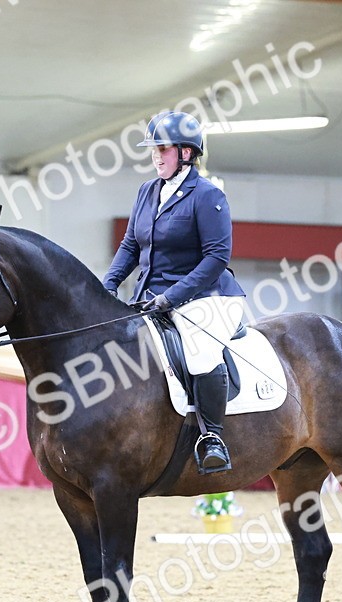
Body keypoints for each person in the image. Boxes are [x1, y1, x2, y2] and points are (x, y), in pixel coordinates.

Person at [103, 110, 245, 474]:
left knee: (199, 354)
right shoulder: (147, 192)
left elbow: (216, 258)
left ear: (185, 152)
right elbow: (130, 246)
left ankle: (212, 437)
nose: (155, 156)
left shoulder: (207, 195)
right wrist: (106, 285)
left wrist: (171, 298)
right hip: (151, 296)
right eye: (153, 149)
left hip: (207, 297)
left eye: (162, 149)